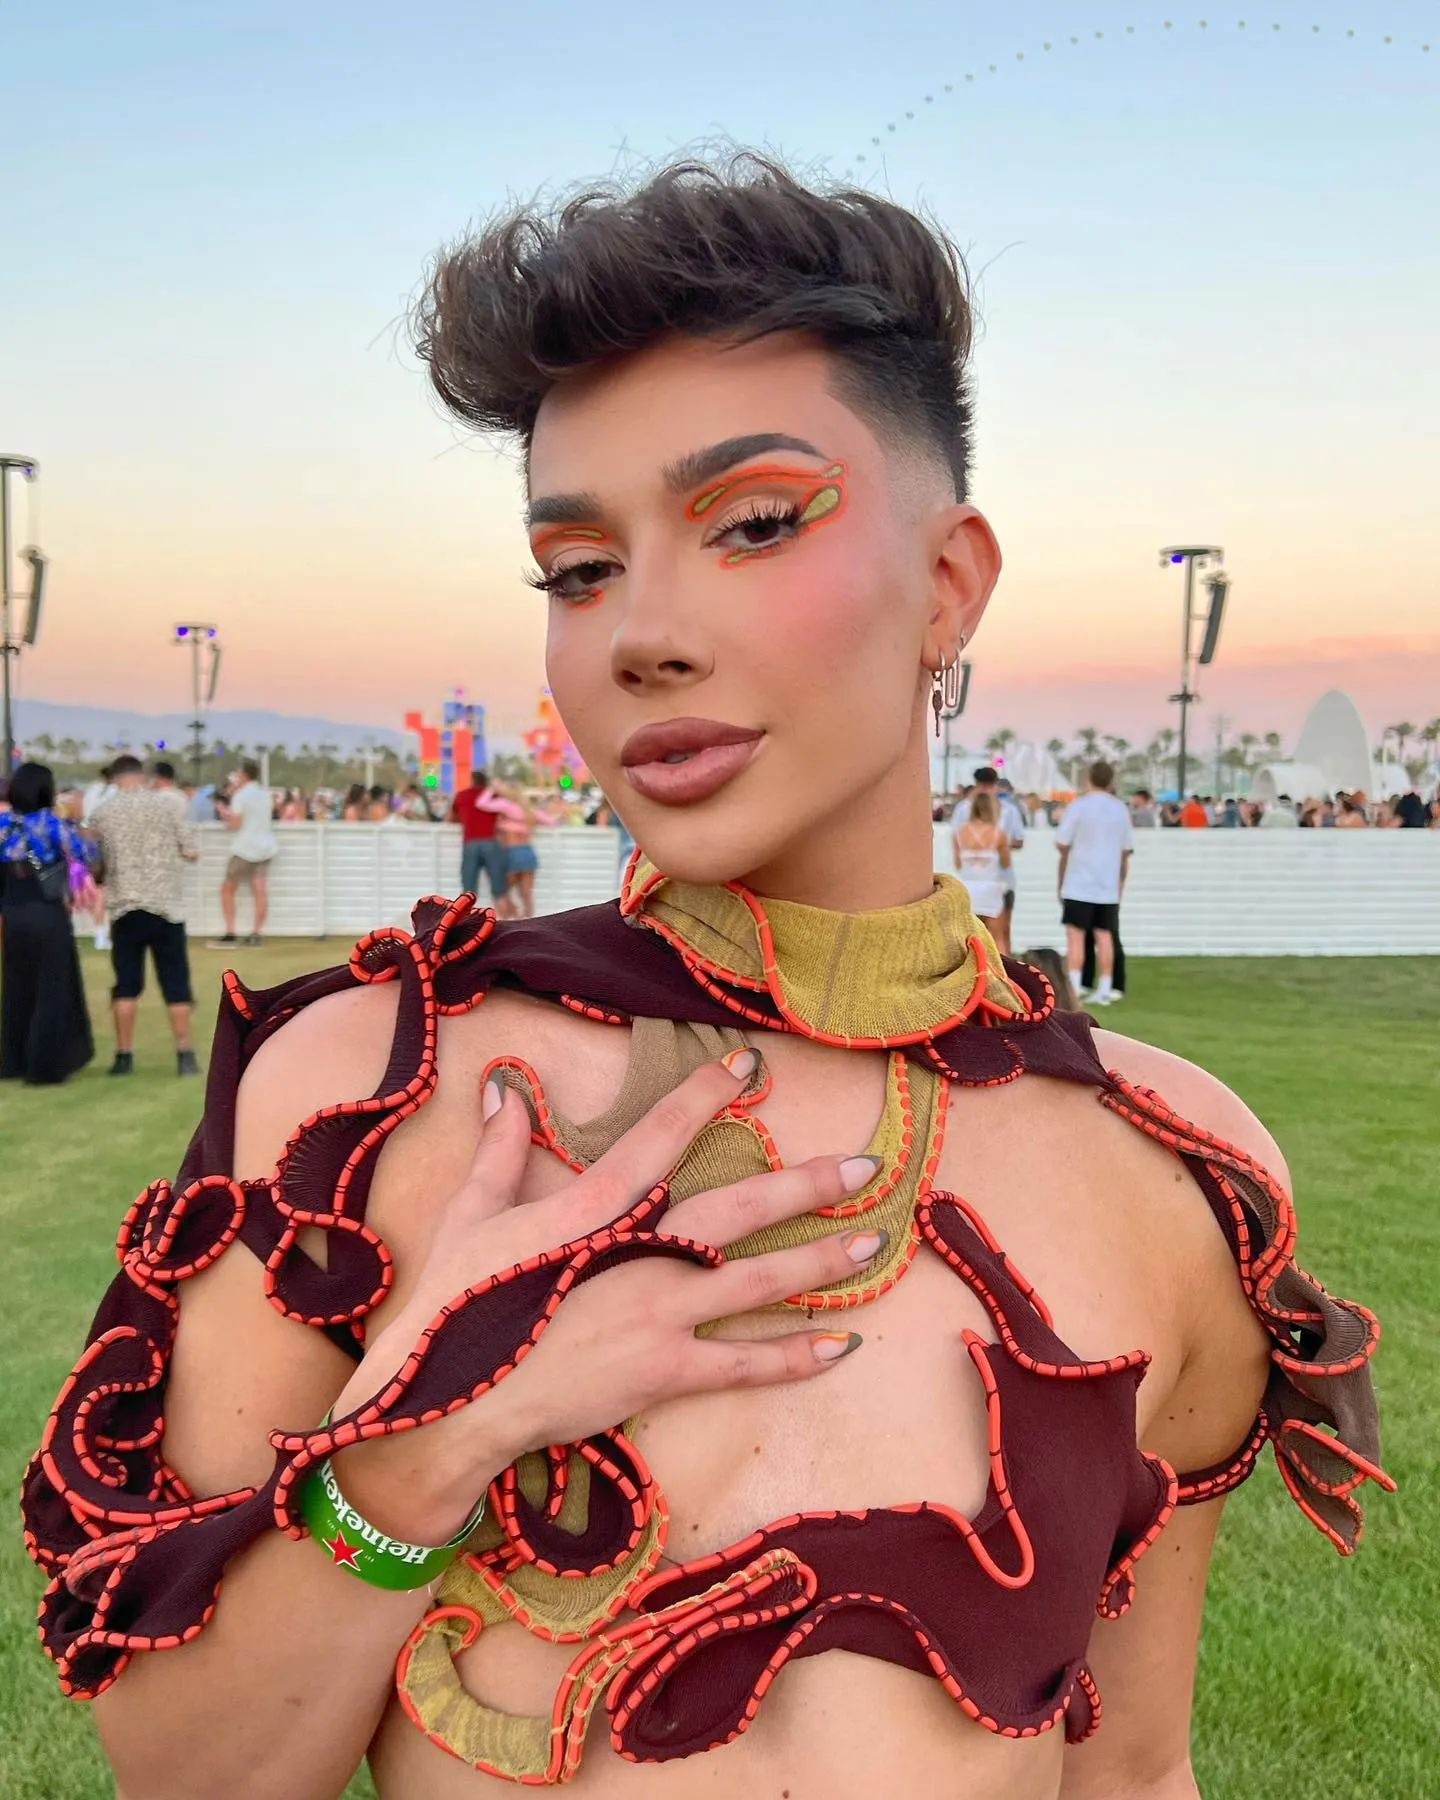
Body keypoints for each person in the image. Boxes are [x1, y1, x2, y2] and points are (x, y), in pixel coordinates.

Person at [28, 155, 1387, 1800]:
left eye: (750, 525)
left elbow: (1135, 1771)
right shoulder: (369, 1093)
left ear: (949, 584)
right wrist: (430, 1442)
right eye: (578, 568)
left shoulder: (1177, 1172)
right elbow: (186, 1773)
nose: (638, 636)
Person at [90, 754, 202, 1077]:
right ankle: (185, 1054)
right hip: (166, 906)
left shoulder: (103, 812)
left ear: (114, 777)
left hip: (125, 907)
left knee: (126, 984)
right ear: (142, 775)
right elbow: (191, 850)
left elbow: (95, 863)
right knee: (175, 983)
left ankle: (123, 1056)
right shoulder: (166, 805)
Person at [0, 762, 96, 1084]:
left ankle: (13, 1061)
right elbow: (87, 853)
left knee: (17, 987)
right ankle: (45, 1066)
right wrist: (79, 820)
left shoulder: (3, 824)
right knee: (52, 987)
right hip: (47, 913)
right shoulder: (51, 823)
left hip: (13, 914)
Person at [1055, 760, 1133, 1005]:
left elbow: (1062, 842)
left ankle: (1075, 985)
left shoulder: (1079, 806)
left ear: (1089, 778)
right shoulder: (1119, 808)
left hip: (1079, 881)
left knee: (1075, 936)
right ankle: (1106, 987)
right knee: (1105, 936)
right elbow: (1126, 849)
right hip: (1107, 884)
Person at [949, 765, 1025, 952]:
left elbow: (957, 853)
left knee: (973, 937)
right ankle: (1001, 969)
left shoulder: (965, 813)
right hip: (996, 881)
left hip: (973, 882)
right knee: (998, 935)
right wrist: (998, 847)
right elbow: (1013, 849)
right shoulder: (1001, 819)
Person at [212, 759, 277, 946]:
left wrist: (225, 813)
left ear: (243, 775)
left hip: (244, 847)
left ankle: (230, 931)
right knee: (260, 889)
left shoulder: (240, 795)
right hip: (266, 847)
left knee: (227, 888)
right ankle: (255, 933)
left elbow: (235, 825)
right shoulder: (265, 795)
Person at [449, 769, 511, 913]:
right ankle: (505, 921)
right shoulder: (492, 795)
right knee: (499, 889)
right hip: (491, 842)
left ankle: (466, 922)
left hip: (470, 843)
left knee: (468, 892)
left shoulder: (461, 795)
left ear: (471, 780)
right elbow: (503, 816)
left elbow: (451, 818)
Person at [951, 788, 1010, 936]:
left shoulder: (959, 832)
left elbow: (957, 864)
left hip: (967, 887)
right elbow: (1006, 863)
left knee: (968, 937)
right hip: (990, 887)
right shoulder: (998, 833)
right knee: (996, 936)